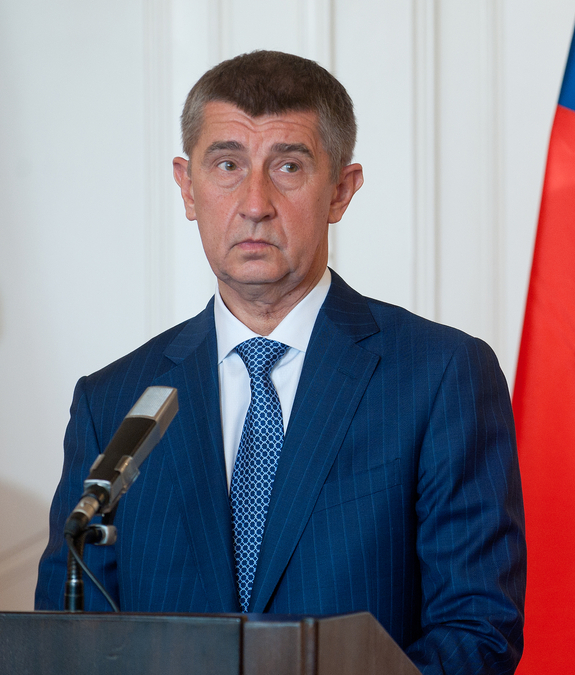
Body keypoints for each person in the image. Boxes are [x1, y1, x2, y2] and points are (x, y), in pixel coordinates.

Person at [35, 50, 526, 675]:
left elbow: (477, 631)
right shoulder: (114, 401)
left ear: (340, 191)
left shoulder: (440, 376)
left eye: (288, 166)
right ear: (187, 187)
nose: (255, 203)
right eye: (227, 165)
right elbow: (70, 640)